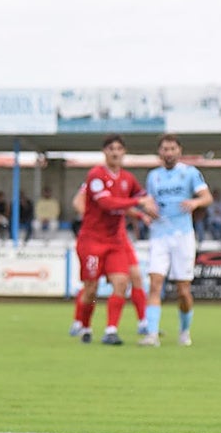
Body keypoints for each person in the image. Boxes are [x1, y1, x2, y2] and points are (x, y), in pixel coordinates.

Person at [68, 136, 156, 345]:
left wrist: (149, 209)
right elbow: (107, 203)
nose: (115, 153)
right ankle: (84, 325)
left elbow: (142, 196)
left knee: (122, 281)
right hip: (92, 240)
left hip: (116, 240)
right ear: (104, 152)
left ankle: (111, 330)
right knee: (91, 289)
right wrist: (139, 203)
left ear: (124, 152)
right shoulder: (96, 175)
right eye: (111, 149)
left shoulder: (127, 178)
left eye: (119, 149)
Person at [137, 135, 212, 348]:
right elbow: (149, 201)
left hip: (183, 237)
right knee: (154, 285)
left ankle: (184, 330)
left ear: (179, 150)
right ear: (159, 152)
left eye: (172, 148)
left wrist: (195, 202)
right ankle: (152, 334)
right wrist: (147, 208)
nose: (168, 153)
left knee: (183, 291)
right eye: (164, 149)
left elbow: (207, 198)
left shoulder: (190, 173)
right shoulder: (153, 176)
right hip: (159, 235)